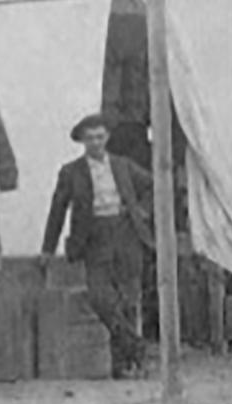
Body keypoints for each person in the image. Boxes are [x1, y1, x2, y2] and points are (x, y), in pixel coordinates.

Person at [41, 114, 155, 378]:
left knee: (126, 300)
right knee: (100, 298)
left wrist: (140, 211)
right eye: (90, 138)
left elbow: (151, 185)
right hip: (94, 238)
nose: (95, 142)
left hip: (125, 234)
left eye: (100, 137)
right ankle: (136, 348)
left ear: (107, 138)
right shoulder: (71, 173)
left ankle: (122, 366)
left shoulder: (123, 166)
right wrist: (48, 248)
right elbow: (57, 211)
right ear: (82, 141)